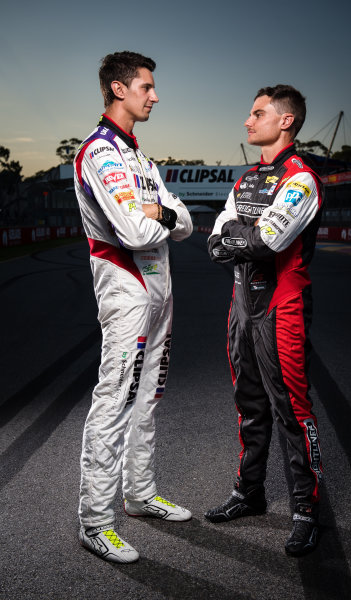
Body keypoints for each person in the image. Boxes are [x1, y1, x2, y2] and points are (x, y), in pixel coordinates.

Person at [74, 51, 193, 563]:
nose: (155, 94)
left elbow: (184, 222)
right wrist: (160, 216)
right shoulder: (99, 153)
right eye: (146, 86)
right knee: (114, 401)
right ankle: (95, 522)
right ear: (118, 89)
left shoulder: (143, 161)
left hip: (161, 290)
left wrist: (161, 209)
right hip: (126, 291)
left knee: (148, 400)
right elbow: (136, 230)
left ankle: (139, 495)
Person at [206, 85, 324, 556]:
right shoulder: (246, 181)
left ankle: (306, 510)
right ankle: (249, 492)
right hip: (241, 307)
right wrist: (241, 235)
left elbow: (268, 243)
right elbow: (216, 241)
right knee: (249, 404)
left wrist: (239, 236)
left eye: (257, 114)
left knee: (293, 412)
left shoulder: (302, 180)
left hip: (282, 308)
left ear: (286, 121)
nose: (247, 121)